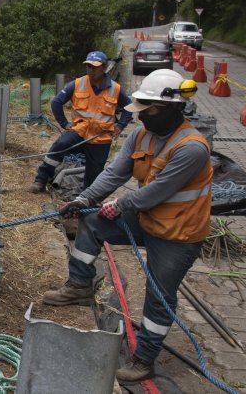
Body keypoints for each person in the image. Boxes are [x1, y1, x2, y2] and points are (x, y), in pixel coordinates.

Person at [41, 69, 212, 385]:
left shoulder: (192, 148)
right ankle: (79, 287)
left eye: (150, 109)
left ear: (174, 107)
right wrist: (84, 198)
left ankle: (144, 360)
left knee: (159, 295)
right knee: (92, 222)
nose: (143, 115)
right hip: (148, 219)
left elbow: (156, 192)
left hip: (178, 234)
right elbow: (114, 174)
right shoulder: (141, 135)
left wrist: (120, 205)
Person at [29, 50, 133, 193]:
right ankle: (40, 181)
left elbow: (129, 108)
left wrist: (121, 125)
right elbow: (56, 102)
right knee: (60, 145)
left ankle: (86, 200)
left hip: (100, 137)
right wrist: (64, 123)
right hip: (80, 131)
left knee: (95, 173)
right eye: (88, 66)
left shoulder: (115, 88)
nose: (91, 70)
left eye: (94, 67)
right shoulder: (77, 84)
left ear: (104, 67)